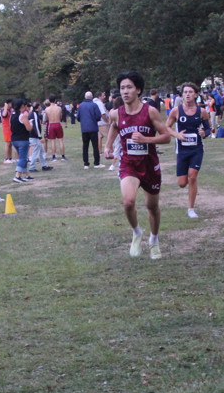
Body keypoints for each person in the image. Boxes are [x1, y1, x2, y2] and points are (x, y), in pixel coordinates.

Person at [104, 70, 171, 259]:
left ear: (138, 90)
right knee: (128, 202)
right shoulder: (116, 113)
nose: (125, 91)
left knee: (152, 207)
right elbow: (114, 126)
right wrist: (108, 146)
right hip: (129, 164)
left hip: (149, 165)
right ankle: (136, 232)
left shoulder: (149, 111)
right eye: (122, 88)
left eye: (129, 87)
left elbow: (166, 137)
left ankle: (154, 240)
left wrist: (146, 139)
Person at [167, 82, 210, 219]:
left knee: (192, 176)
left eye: (190, 92)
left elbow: (208, 129)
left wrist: (204, 133)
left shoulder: (202, 111)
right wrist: (177, 134)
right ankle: (191, 185)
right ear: (182, 95)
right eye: (185, 92)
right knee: (182, 183)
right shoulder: (176, 111)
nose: (187, 94)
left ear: (196, 94)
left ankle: (191, 209)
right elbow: (166, 127)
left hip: (197, 149)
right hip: (182, 150)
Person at [10, 99, 35, 183]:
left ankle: (26, 175)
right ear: (22, 106)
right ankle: (17, 176)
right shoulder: (22, 116)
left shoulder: (12, 115)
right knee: (23, 158)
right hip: (23, 139)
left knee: (22, 157)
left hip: (14, 139)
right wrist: (31, 123)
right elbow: (29, 128)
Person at [77, 91, 102, 168]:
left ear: (85, 97)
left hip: (84, 129)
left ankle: (86, 164)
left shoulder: (80, 105)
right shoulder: (94, 105)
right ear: (92, 97)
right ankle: (96, 163)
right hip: (93, 128)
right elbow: (98, 116)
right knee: (95, 146)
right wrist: (94, 120)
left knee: (85, 146)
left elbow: (78, 117)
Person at [27, 100, 53, 173]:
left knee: (41, 151)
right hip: (34, 136)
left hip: (33, 136)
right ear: (38, 107)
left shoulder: (33, 113)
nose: (40, 107)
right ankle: (32, 167)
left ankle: (44, 166)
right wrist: (40, 137)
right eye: (40, 106)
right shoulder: (34, 114)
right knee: (35, 152)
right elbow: (35, 127)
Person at [44, 95, 66, 161]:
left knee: (52, 141)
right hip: (58, 124)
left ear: (49, 101)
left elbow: (46, 118)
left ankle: (54, 157)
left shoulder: (47, 109)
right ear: (55, 100)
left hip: (51, 124)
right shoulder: (59, 108)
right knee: (61, 140)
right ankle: (63, 156)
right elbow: (61, 117)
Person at [0, 99, 15, 164]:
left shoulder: (9, 110)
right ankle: (6, 159)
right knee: (8, 144)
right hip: (6, 130)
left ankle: (10, 158)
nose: (12, 105)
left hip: (10, 129)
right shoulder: (4, 110)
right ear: (7, 104)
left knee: (10, 144)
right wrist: (5, 107)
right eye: (11, 103)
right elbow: (4, 115)